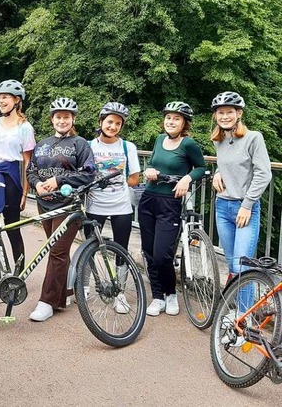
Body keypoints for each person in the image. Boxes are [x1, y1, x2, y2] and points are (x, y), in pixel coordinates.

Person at [26, 98, 95, 322]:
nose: (62, 120)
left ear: (73, 119)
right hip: (44, 201)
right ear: (52, 119)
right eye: (58, 117)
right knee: (57, 252)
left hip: (68, 204)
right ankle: (62, 295)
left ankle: (46, 302)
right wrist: (36, 184)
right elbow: (31, 170)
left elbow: (88, 173)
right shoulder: (42, 143)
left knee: (56, 250)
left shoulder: (80, 144)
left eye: (66, 117)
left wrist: (57, 179)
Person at [139, 102, 206, 317]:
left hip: (170, 202)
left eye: (176, 118)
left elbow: (202, 168)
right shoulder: (159, 139)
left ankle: (171, 293)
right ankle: (157, 296)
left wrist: (187, 178)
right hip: (149, 199)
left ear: (184, 123)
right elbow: (152, 163)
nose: (171, 121)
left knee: (162, 255)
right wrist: (148, 169)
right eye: (169, 118)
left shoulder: (189, 144)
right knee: (149, 252)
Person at [211, 91, 271, 314]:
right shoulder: (219, 140)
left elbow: (263, 174)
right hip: (222, 207)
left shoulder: (254, 137)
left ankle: (243, 319)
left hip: (244, 208)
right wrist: (217, 172)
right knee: (232, 265)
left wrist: (247, 204)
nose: (225, 116)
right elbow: (229, 164)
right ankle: (240, 312)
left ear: (239, 113)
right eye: (220, 113)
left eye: (229, 112)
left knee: (243, 266)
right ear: (216, 116)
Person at [0, 79, 36, 269]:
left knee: (12, 227)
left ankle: (18, 272)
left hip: (10, 177)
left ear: (17, 100)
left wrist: (25, 193)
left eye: (6, 97)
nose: (1, 101)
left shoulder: (25, 127)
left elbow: (28, 161)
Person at [86, 102, 140, 265]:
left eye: (118, 123)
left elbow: (134, 178)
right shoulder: (88, 146)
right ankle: (85, 286)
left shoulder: (127, 147)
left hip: (121, 206)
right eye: (110, 122)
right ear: (101, 121)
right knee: (89, 249)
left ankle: (121, 289)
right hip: (94, 205)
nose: (113, 126)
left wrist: (117, 186)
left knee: (121, 249)